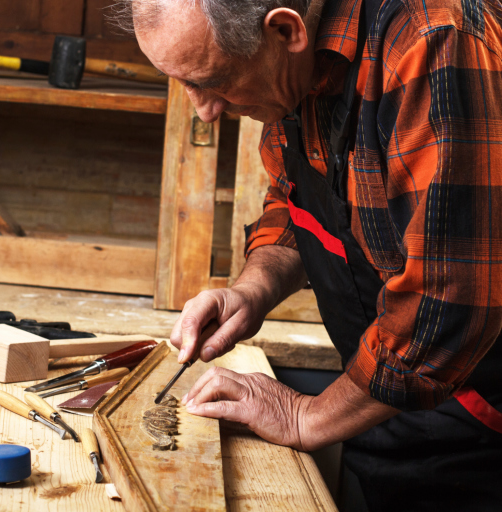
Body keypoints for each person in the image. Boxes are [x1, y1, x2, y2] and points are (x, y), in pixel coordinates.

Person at [117, 0, 502, 509]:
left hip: (484, 427)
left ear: (285, 30)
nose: (203, 109)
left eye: (214, 82)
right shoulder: (295, 67)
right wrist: (253, 290)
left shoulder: (432, 40)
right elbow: (298, 201)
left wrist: (308, 417)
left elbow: (449, 306)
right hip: (384, 409)